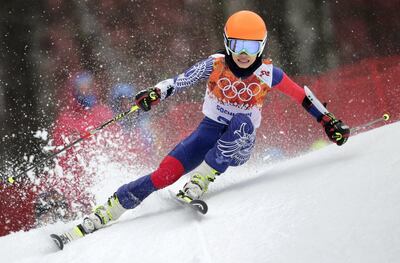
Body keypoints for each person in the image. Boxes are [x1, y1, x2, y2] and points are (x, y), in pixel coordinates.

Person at [62, 11, 350, 240]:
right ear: (228, 43)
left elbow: (302, 95)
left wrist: (328, 122)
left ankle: (202, 179)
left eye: (251, 46)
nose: (244, 53)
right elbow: (180, 80)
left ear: (261, 46)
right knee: (164, 174)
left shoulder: (268, 73)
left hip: (241, 142)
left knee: (240, 121)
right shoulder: (215, 64)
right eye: (238, 45)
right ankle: (107, 210)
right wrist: (156, 93)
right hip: (207, 131)